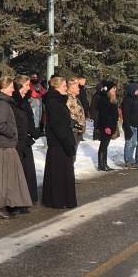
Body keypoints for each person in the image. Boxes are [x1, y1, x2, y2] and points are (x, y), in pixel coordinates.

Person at [0, 76, 32, 218]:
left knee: (6, 177)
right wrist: (12, 133)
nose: (14, 89)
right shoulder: (2, 104)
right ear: (4, 87)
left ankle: (4, 206)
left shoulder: (2, 102)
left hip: (4, 144)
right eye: (12, 86)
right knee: (1, 177)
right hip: (3, 145)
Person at [41, 76, 78, 208]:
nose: (66, 88)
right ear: (56, 87)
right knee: (59, 172)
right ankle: (58, 200)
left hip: (61, 141)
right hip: (59, 142)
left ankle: (61, 199)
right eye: (63, 86)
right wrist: (67, 141)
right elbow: (57, 125)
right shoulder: (53, 101)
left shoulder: (58, 100)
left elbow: (61, 120)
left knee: (62, 172)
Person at [11, 77, 41, 204]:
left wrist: (34, 132)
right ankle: (20, 198)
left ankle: (28, 197)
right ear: (20, 86)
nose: (29, 87)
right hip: (17, 141)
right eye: (27, 85)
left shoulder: (25, 101)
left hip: (26, 140)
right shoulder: (14, 101)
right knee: (21, 170)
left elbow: (29, 119)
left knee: (28, 169)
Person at [92, 80, 120, 172]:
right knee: (103, 144)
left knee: (106, 144)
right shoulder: (104, 99)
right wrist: (107, 126)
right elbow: (104, 114)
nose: (114, 90)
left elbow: (114, 114)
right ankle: (101, 164)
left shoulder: (113, 99)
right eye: (113, 88)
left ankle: (105, 163)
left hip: (111, 125)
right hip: (105, 125)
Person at [121, 82, 138, 169]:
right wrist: (127, 127)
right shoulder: (127, 100)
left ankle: (131, 160)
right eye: (136, 90)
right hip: (129, 125)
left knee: (134, 143)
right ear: (132, 90)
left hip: (135, 125)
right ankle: (128, 161)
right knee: (129, 143)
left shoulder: (136, 99)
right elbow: (126, 115)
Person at [67, 74, 90, 158]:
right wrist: (77, 129)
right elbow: (72, 117)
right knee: (71, 154)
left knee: (74, 152)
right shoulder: (68, 99)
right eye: (77, 86)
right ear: (72, 88)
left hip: (77, 129)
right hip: (73, 130)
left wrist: (80, 129)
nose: (79, 88)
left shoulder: (75, 98)